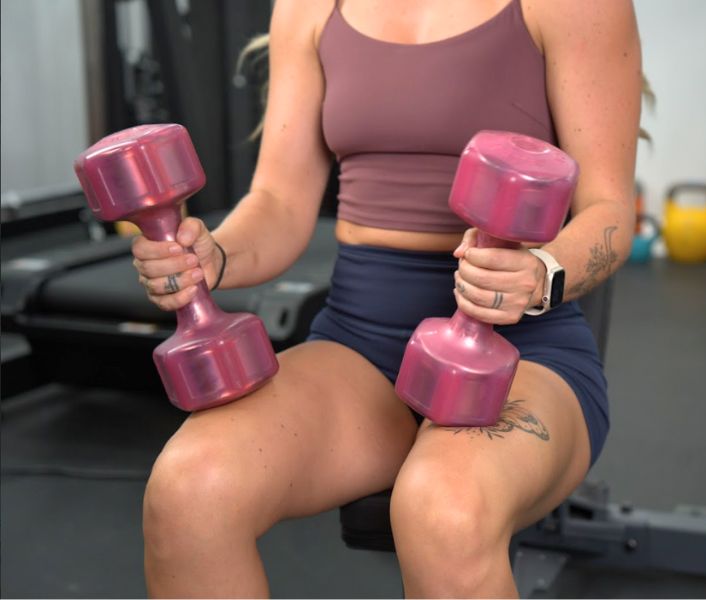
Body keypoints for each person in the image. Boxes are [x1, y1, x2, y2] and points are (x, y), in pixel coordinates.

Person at [133, 0, 640, 596]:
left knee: (442, 509)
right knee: (189, 489)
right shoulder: (310, 8)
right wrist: (210, 256)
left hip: (519, 352)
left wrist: (540, 272)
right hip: (360, 346)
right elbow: (278, 202)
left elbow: (610, 213)